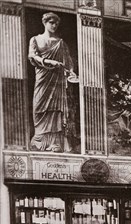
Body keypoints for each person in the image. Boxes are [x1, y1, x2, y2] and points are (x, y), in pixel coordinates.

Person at [28, 12, 76, 152]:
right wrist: (48, 61)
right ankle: (39, 140)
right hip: (43, 78)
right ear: (44, 23)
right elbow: (32, 56)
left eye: (56, 23)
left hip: (57, 81)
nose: (54, 25)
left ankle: (55, 142)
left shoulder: (61, 43)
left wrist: (71, 73)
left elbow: (69, 64)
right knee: (39, 106)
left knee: (56, 110)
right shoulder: (35, 39)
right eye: (51, 22)